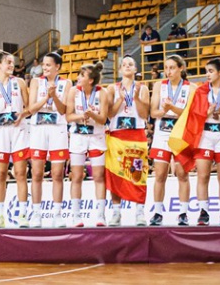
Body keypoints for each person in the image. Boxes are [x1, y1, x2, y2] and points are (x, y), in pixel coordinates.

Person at [169, 59, 220, 226]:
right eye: (206, 71)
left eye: (211, 71)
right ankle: (203, 212)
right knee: (203, 175)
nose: (207, 74)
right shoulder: (200, 91)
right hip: (205, 135)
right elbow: (193, 115)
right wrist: (206, 112)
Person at [0, 50, 30, 228]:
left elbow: (29, 106)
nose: (11, 65)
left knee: (20, 173)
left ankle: (23, 214)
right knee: (0, 174)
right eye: (8, 62)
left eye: (12, 62)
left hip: (18, 130)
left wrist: (23, 114)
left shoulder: (19, 82)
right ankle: (0, 215)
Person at [149, 55, 195, 226]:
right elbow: (153, 113)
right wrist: (166, 111)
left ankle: (183, 213)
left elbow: (191, 114)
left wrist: (171, 108)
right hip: (162, 133)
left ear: (181, 68)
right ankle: (157, 212)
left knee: (182, 174)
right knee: (160, 174)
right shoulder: (159, 85)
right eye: (166, 68)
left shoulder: (191, 88)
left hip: (181, 134)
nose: (168, 71)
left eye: (172, 68)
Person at [105, 56, 150, 226]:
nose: (127, 66)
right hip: (117, 136)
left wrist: (136, 98)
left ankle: (139, 212)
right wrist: (120, 99)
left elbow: (145, 115)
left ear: (136, 69)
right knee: (116, 175)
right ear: (120, 69)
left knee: (138, 174)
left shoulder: (143, 88)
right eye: (124, 64)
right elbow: (109, 114)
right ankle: (116, 213)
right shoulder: (112, 88)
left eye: (130, 64)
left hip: (136, 136)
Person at [27, 50, 70, 227]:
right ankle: (36, 213)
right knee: (37, 172)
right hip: (38, 128)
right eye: (43, 65)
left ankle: (57, 213)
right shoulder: (36, 82)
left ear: (57, 67)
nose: (44, 68)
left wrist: (55, 97)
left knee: (57, 173)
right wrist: (47, 97)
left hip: (58, 129)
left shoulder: (66, 83)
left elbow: (63, 110)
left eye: (48, 65)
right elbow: (31, 109)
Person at [66, 62, 110, 227]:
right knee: (76, 176)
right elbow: (69, 116)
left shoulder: (102, 93)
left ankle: (101, 215)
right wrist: (81, 116)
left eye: (81, 75)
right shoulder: (73, 91)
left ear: (90, 80)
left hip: (96, 136)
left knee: (99, 176)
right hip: (78, 136)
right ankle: (76, 215)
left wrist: (93, 114)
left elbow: (103, 119)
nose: (78, 77)